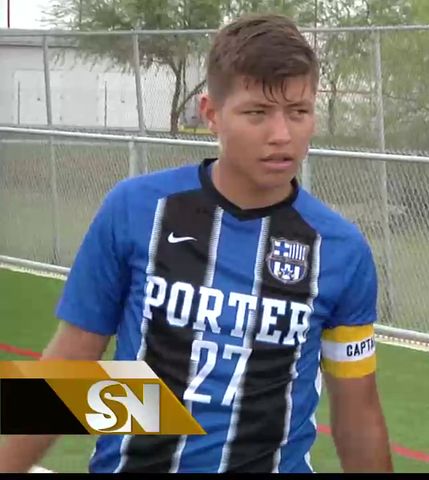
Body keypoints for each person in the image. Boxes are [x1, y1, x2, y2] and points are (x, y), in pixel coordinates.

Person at [0, 13, 393, 473]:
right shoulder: (135, 209)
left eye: (298, 112)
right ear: (211, 114)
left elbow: (357, 412)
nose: (281, 135)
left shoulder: (341, 249)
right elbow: (69, 365)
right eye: (257, 113)